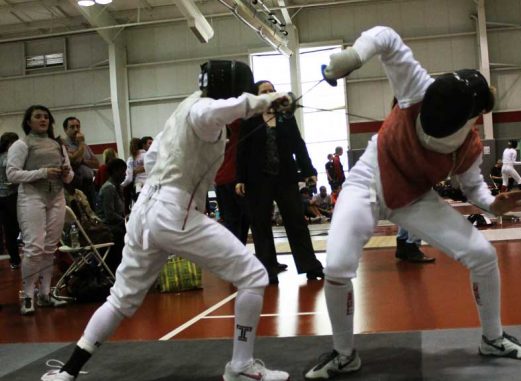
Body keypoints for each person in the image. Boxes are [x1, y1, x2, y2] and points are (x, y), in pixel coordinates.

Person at [304, 26, 521, 380]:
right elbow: (385, 36)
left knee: (483, 256)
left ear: (470, 121)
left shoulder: (469, 146)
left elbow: (474, 189)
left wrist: (494, 205)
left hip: (414, 197)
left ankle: (493, 338)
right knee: (336, 267)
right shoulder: (417, 86)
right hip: (368, 179)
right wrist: (353, 57)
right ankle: (343, 353)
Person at [41, 60, 291, 381]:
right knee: (254, 275)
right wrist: (265, 101)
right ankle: (241, 366)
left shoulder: (183, 108)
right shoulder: (202, 111)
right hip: (173, 212)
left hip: (145, 211)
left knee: (121, 298)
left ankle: (67, 372)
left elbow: (156, 156)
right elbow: (218, 112)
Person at [236, 80, 324, 285]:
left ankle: (310, 266)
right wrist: (240, 178)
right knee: (260, 225)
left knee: (297, 222)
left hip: (286, 178)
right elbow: (241, 151)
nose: (269, 93)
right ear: (256, 96)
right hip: (257, 180)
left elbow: (298, 145)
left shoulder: (286, 117)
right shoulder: (249, 120)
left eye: (272, 90)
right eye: (264, 91)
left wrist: (309, 170)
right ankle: (268, 270)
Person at [7, 105, 73, 315]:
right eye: (38, 117)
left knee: (49, 248)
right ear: (29, 122)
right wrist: (43, 172)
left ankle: (45, 294)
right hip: (31, 196)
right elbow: (12, 175)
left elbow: (70, 174)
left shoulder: (57, 144)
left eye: (46, 117)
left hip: (56, 196)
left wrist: (64, 173)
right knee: (34, 247)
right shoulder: (21, 144)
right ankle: (27, 296)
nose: (43, 120)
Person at [214, 121, 250, 244]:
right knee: (242, 220)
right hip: (233, 180)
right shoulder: (236, 129)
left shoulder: (213, 135)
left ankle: (236, 253)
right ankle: (238, 252)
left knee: (231, 222)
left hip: (221, 180)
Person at [96, 158, 128, 272]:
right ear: (114, 171)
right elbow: (109, 215)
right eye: (123, 171)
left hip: (116, 224)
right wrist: (126, 221)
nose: (125, 174)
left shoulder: (118, 187)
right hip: (108, 227)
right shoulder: (108, 188)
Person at [62, 117, 99, 208]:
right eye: (72, 127)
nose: (76, 129)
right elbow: (75, 161)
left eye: (78, 126)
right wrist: (81, 143)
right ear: (65, 130)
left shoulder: (85, 146)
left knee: (93, 210)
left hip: (90, 184)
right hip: (77, 185)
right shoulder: (64, 145)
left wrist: (83, 160)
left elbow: (96, 163)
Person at [0, 132, 21, 269]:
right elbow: (14, 178)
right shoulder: (10, 157)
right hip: (12, 195)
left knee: (8, 230)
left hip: (1, 197)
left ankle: (14, 260)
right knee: (23, 226)